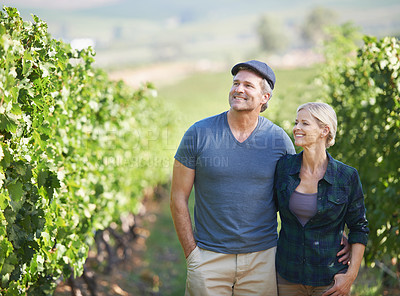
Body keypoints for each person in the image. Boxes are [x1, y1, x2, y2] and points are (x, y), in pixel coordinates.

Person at [170, 61, 350, 295]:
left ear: (265, 97)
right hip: (208, 258)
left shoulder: (279, 141)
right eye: (235, 83)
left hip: (262, 260)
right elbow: (177, 197)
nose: (238, 89)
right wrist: (192, 254)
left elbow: (299, 195)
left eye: (247, 85)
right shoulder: (198, 133)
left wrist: (333, 230)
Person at [274, 102, 369, 296]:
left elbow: (359, 227)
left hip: (330, 279)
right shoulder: (283, 168)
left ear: (324, 130)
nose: (296, 128)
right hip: (287, 276)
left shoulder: (346, 176)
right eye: (296, 122)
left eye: (304, 124)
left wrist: (350, 277)